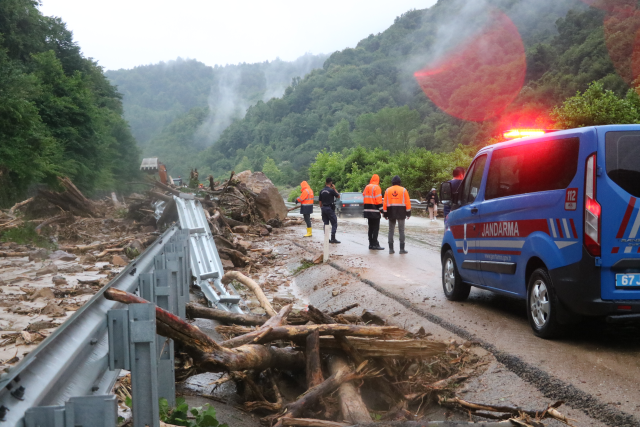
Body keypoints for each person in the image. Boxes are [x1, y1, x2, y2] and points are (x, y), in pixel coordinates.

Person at [383, 175, 411, 254]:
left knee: (391, 230)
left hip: (391, 212)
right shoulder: (403, 190)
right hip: (401, 212)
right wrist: (408, 213)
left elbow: (385, 203)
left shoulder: (388, 190)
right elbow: (407, 202)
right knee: (401, 230)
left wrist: (385, 213)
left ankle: (391, 250)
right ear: (399, 182)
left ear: (392, 182)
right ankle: (402, 250)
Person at [362, 174, 384, 250]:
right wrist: (382, 211)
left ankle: (371, 244)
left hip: (367, 210)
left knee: (370, 228)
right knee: (375, 228)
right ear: (378, 180)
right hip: (374, 211)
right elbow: (378, 201)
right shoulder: (376, 187)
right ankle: (375, 244)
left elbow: (364, 196)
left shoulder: (367, 187)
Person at [319, 177, 341, 244]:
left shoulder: (321, 191)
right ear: (331, 183)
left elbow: (320, 201)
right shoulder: (331, 191)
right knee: (334, 223)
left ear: (325, 183)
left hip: (323, 208)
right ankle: (333, 238)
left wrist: (322, 208)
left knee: (326, 223)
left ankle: (326, 238)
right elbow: (338, 196)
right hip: (330, 208)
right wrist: (334, 188)